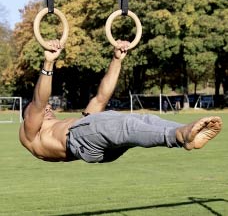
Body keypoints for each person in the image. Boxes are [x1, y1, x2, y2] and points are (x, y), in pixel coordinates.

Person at [19, 40, 222, 163]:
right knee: (127, 124)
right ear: (27, 115)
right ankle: (179, 135)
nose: (48, 107)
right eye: (43, 108)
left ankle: (188, 136)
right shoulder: (29, 133)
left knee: (146, 120)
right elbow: (38, 101)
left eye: (49, 107)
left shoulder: (64, 125)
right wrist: (49, 62)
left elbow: (100, 98)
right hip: (79, 139)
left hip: (94, 148)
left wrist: (117, 60)